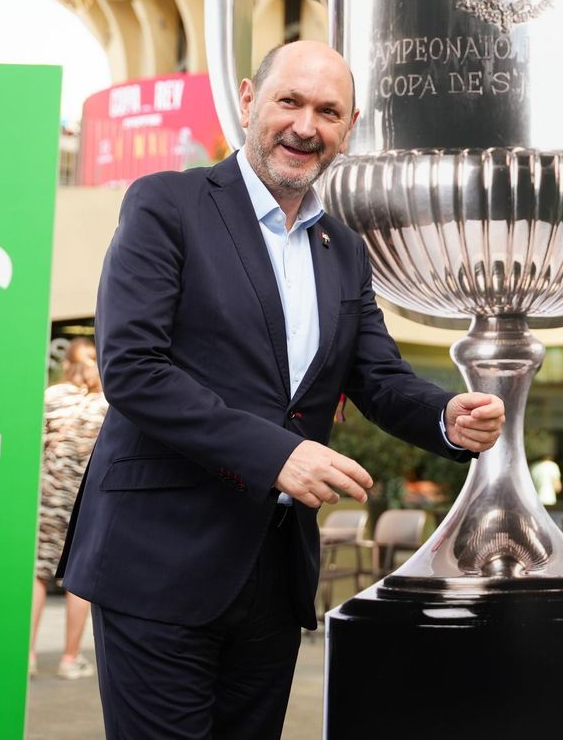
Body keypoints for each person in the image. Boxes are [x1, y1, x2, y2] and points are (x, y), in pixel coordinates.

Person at [59, 40, 506, 739]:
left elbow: (379, 377)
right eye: (289, 102)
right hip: (158, 561)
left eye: (327, 112)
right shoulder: (166, 205)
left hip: (271, 576)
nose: (305, 126)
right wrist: (278, 456)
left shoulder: (346, 250)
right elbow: (134, 369)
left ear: (348, 127)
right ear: (247, 100)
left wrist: (447, 416)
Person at [31, 340, 108, 680]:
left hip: (49, 497)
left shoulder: (53, 397)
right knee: (80, 578)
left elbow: (35, 445)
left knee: (39, 573)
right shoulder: (107, 404)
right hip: (87, 499)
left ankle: (28, 656)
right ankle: (69, 658)